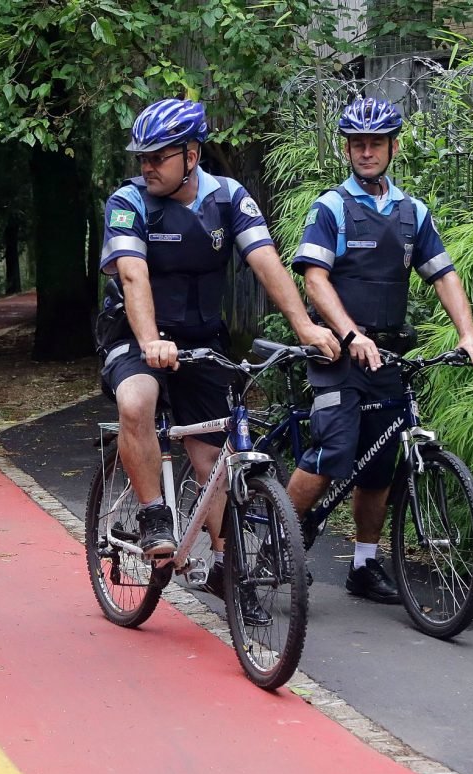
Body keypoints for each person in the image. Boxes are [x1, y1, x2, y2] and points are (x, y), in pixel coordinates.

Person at [98, 98, 339, 623]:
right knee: (137, 400)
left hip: (204, 339)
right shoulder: (127, 201)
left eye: (158, 156)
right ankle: (153, 513)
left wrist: (304, 326)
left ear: (191, 154)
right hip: (136, 333)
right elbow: (133, 274)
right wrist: (150, 341)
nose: (146, 166)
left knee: (216, 464)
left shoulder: (228, 198)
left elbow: (265, 261)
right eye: (142, 156)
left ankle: (230, 568)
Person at [285, 97, 473, 604]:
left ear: (394, 147)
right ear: (348, 148)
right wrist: (351, 335)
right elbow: (315, 279)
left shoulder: (412, 212)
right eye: (357, 143)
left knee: (379, 466)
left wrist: (467, 333)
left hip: (388, 355)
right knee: (333, 451)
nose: (366, 152)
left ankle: (364, 566)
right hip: (337, 351)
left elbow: (443, 274)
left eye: (375, 143)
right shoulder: (331, 207)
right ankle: (273, 543)